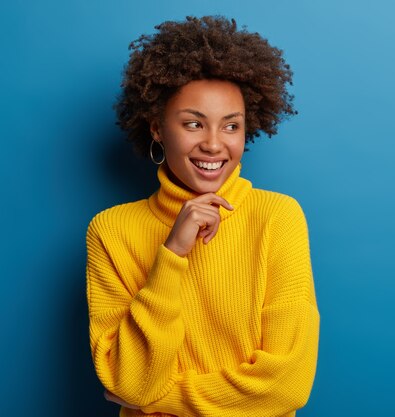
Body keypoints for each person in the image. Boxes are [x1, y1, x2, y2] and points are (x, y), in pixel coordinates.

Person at [85, 16, 319, 417]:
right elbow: (128, 380)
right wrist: (173, 253)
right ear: (157, 128)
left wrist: (160, 399)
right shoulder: (111, 230)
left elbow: (287, 385)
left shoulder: (277, 217)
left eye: (231, 126)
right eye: (193, 124)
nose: (213, 145)